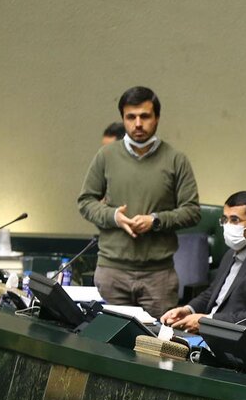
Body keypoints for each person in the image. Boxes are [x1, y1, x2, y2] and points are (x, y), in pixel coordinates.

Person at [78, 86, 201, 318]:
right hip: (112, 270)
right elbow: (85, 201)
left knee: (157, 338)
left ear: (157, 118)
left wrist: (155, 221)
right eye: (130, 117)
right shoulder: (106, 156)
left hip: (158, 275)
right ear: (123, 118)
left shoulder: (176, 159)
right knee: (107, 336)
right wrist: (114, 217)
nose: (137, 124)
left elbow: (192, 211)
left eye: (145, 116)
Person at [160, 191, 246, 334]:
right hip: (211, 332)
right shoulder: (232, 253)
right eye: (225, 219)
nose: (228, 225)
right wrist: (187, 310)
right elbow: (213, 293)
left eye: (235, 220)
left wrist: (209, 321)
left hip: (239, 339)